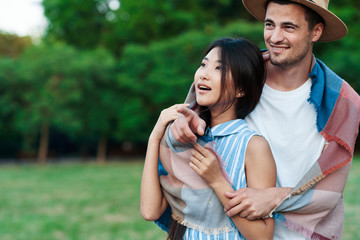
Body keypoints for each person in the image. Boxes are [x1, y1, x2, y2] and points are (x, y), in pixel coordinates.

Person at [167, 0, 360, 239]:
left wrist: (276, 195)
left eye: (289, 27)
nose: (275, 37)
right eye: (270, 24)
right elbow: (195, 119)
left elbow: (329, 191)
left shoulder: (341, 102)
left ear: (316, 31)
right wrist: (179, 125)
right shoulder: (238, 74)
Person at [140, 38, 277, 239]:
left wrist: (217, 180)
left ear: (241, 89)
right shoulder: (186, 140)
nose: (204, 74)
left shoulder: (252, 146)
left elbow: (264, 236)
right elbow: (150, 211)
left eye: (219, 68)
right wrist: (155, 137)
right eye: (204, 64)